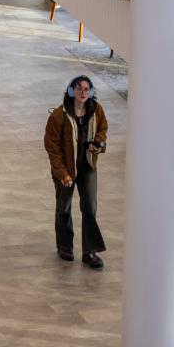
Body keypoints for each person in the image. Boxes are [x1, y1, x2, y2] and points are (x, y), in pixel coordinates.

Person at [43, 75, 108, 269]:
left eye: (86, 89)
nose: (83, 92)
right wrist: (63, 174)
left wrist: (98, 145)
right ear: (72, 91)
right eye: (79, 89)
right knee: (64, 207)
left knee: (90, 207)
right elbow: (52, 147)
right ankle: (64, 246)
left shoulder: (96, 110)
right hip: (66, 168)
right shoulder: (59, 115)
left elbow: (102, 130)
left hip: (87, 166)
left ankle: (90, 251)